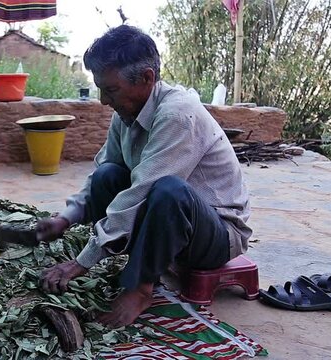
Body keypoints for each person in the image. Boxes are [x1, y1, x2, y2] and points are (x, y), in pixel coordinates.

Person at [36, 25, 251, 328]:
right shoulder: (125, 112)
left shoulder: (177, 114)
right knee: (108, 175)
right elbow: (104, 170)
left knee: (168, 190)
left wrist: (81, 263)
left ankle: (140, 288)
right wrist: (66, 218)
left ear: (148, 78)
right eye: (100, 88)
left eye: (110, 90)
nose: (102, 100)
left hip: (216, 236)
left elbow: (142, 191)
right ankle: (129, 258)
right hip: (165, 222)